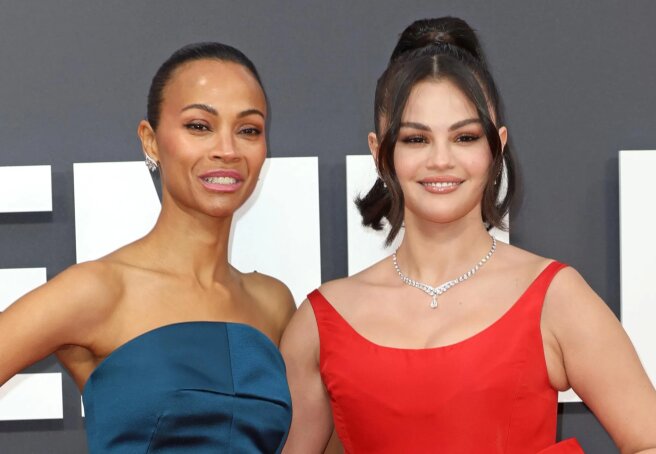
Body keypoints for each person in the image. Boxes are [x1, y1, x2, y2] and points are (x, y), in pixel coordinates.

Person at [281, 17, 656, 453]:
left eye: (464, 137)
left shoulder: (555, 298)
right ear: (379, 151)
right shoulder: (320, 322)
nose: (441, 160)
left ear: (495, 147)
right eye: (416, 139)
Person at [0, 42, 295, 453]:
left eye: (248, 130)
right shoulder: (99, 291)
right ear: (151, 141)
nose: (227, 150)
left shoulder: (274, 304)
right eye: (199, 126)